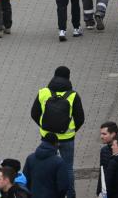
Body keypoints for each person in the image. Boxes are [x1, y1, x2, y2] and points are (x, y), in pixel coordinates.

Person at [30, 66, 85, 198]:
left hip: (47, 138)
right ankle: (71, 194)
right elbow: (80, 118)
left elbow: (34, 113)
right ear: (68, 78)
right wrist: (71, 130)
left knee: (47, 165)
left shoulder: (43, 92)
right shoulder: (73, 95)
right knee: (68, 168)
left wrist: (44, 126)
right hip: (67, 138)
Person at [22, 133, 70, 198]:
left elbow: (25, 180)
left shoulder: (30, 158)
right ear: (55, 143)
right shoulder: (59, 162)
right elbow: (63, 186)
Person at [101, 122, 118, 197]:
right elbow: (102, 171)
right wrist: (99, 191)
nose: (101, 136)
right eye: (101, 134)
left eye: (104, 134)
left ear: (113, 134)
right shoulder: (104, 150)